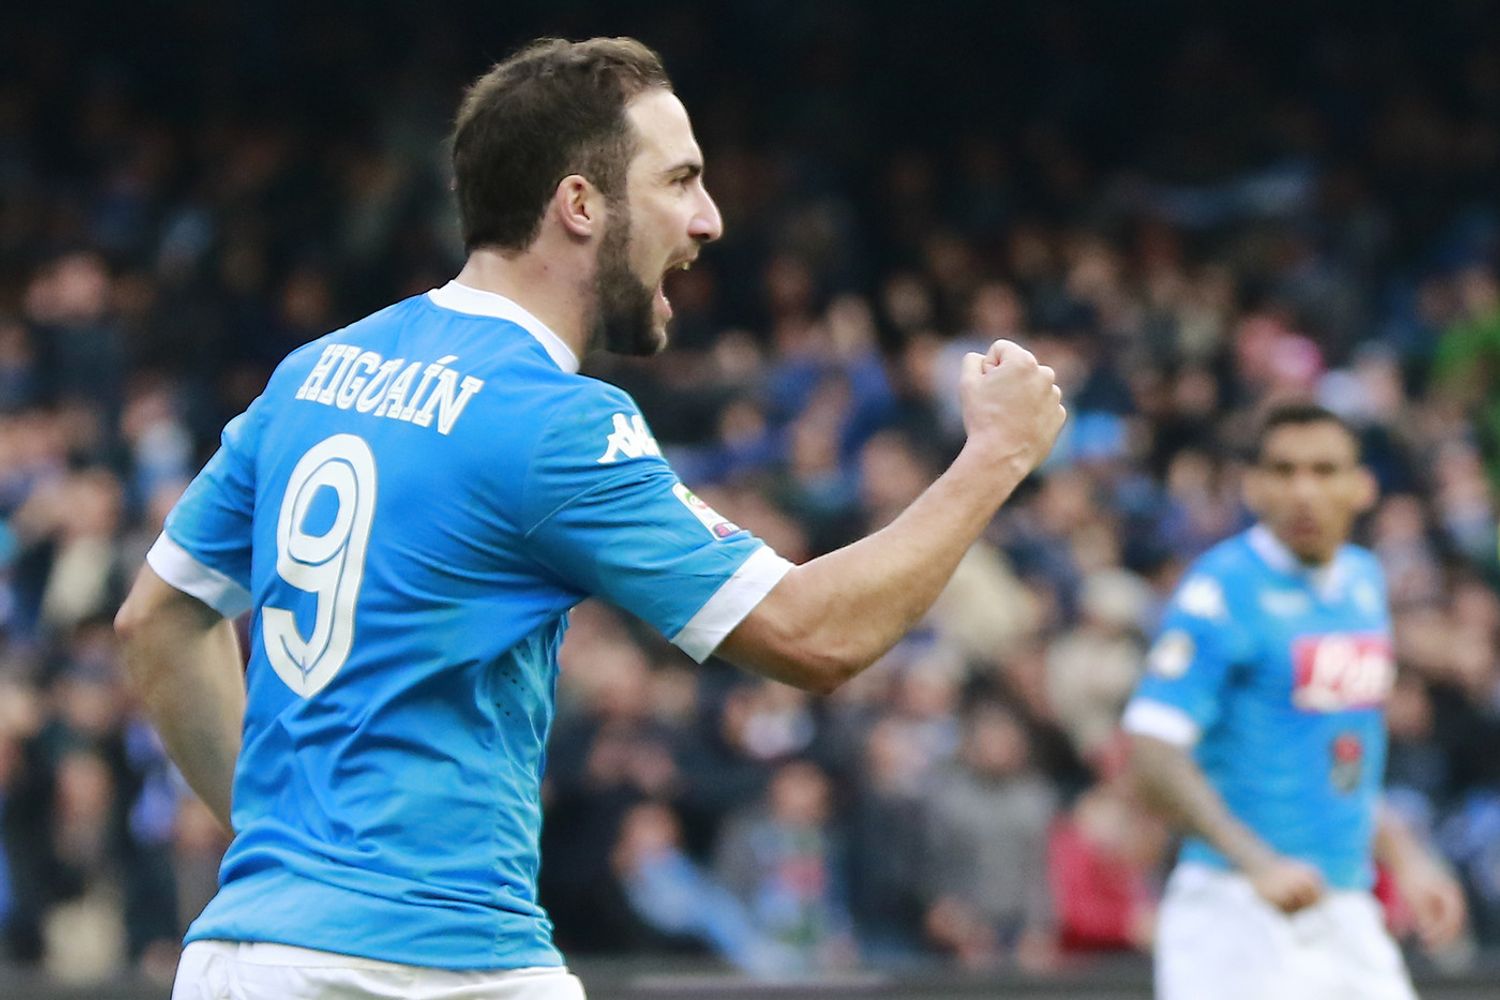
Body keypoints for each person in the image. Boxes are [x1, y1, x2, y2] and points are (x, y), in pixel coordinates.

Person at [112, 36, 1067, 1000]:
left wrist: (281, 846)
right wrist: (995, 457)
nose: (709, 220)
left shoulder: (315, 371)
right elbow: (817, 635)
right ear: (579, 205)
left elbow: (156, 618)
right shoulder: (549, 420)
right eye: (680, 181)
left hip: (244, 955)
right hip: (424, 965)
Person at [1123, 403, 1467, 1000]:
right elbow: (1152, 748)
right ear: (1253, 486)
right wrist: (1257, 863)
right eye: (1283, 471)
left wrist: (1406, 858)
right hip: (1234, 912)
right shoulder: (1220, 589)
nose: (1303, 490)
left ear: (1362, 486)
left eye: (1324, 469)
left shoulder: (1364, 582)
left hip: (1345, 904)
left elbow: (1342, 754)